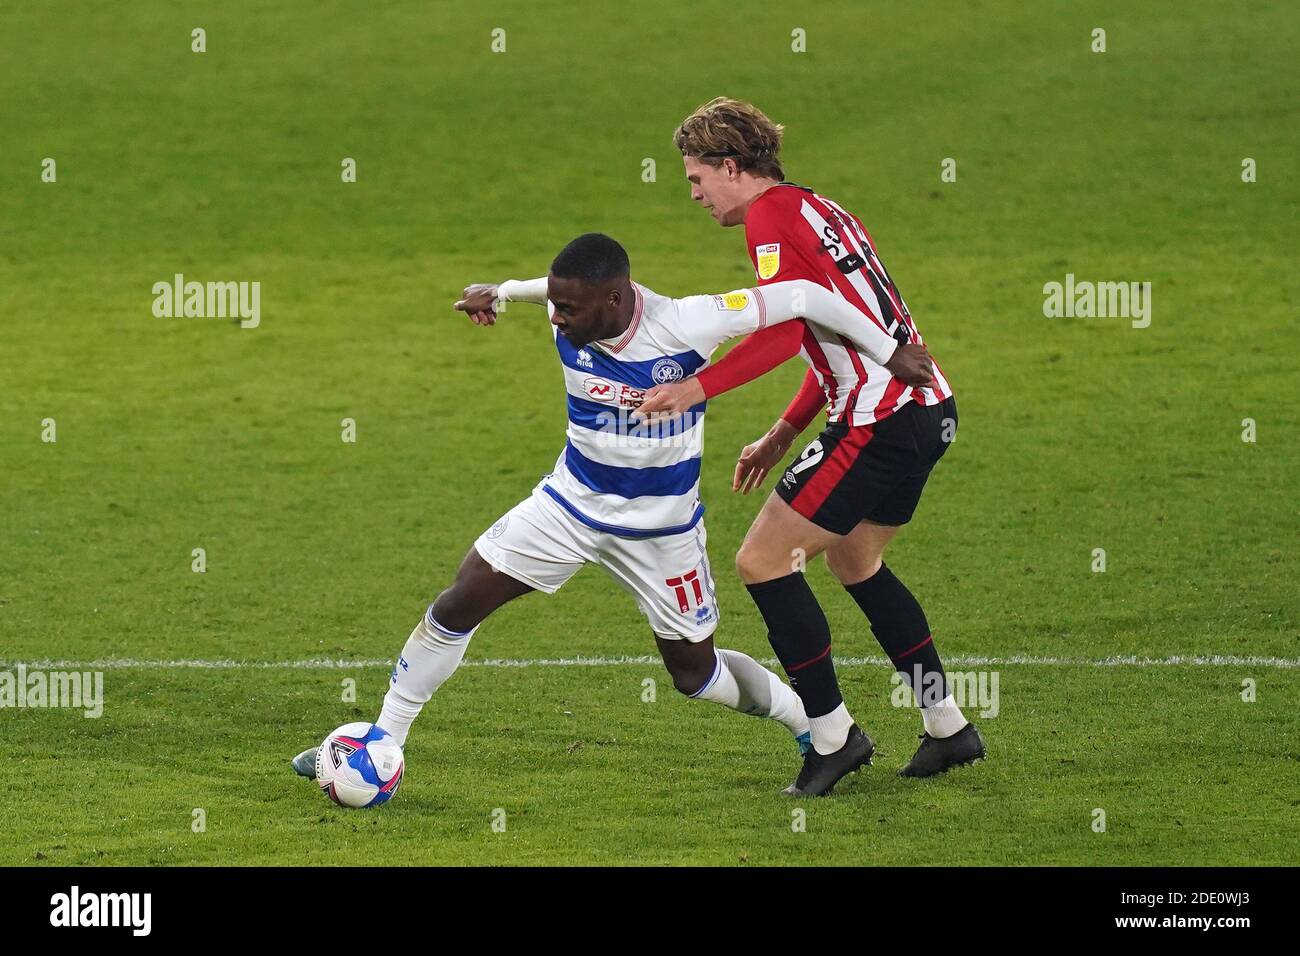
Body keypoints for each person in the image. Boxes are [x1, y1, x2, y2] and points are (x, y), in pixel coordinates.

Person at [293, 232, 921, 789]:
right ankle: (384, 739)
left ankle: (814, 729)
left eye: (568, 308)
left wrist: (888, 353)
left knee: (694, 674)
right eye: (553, 305)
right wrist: (499, 292)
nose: (556, 318)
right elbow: (549, 289)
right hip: (568, 505)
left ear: (616, 300)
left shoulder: (689, 323)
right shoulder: (572, 308)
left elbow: (808, 297)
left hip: (662, 531)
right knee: (459, 602)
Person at [637, 98, 986, 796]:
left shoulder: (769, 220)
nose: (696, 195)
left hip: (876, 422)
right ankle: (948, 727)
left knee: (763, 562)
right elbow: (833, 324)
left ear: (733, 167)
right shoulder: (820, 209)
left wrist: (696, 389)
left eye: (697, 178)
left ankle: (831, 735)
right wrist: (785, 430)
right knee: (858, 560)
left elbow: (780, 330)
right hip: (928, 408)